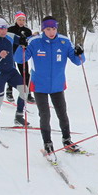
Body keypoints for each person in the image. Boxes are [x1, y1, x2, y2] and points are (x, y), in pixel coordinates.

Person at [14, 16, 85, 153]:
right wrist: (21, 46)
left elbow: (78, 61)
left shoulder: (64, 41)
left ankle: (67, 139)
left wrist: (80, 53)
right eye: (48, 29)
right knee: (45, 115)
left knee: (62, 113)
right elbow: (19, 59)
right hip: (39, 85)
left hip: (57, 85)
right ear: (43, 29)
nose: (51, 32)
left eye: (53, 28)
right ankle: (47, 142)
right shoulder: (34, 42)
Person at [0, 18, 29, 128]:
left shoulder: (10, 36)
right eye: (0, 29)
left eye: (5, 28)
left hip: (11, 71)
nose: (3, 31)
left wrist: (23, 41)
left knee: (25, 91)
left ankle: (18, 117)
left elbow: (21, 40)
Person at [7, 12, 34, 104]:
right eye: (19, 19)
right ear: (16, 20)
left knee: (25, 73)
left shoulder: (27, 31)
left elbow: (30, 42)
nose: (21, 21)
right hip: (10, 54)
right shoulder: (10, 29)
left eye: (23, 20)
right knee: (11, 73)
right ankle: (9, 91)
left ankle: (28, 93)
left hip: (22, 55)